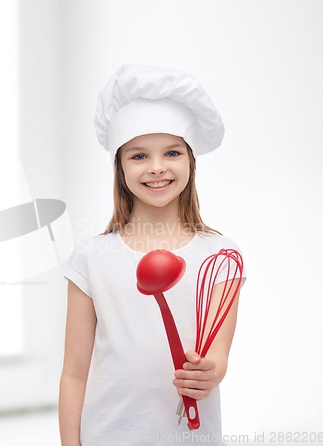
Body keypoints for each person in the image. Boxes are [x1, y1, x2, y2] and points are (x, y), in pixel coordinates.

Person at [58, 64, 247, 446]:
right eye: (139, 156)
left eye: (172, 152)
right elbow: (74, 373)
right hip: (108, 435)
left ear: (191, 161)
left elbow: (219, 356)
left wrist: (210, 372)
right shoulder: (91, 257)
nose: (157, 167)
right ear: (119, 167)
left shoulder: (221, 255)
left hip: (192, 437)